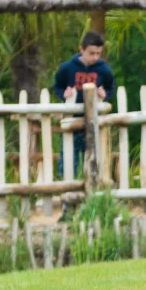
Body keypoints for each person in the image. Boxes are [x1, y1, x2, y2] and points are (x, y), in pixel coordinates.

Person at [53, 31, 115, 179]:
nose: (95, 57)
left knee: (94, 160)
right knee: (69, 159)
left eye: (98, 54)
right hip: (72, 121)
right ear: (81, 49)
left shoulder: (104, 70)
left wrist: (105, 95)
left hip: (94, 122)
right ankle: (68, 192)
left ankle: (93, 193)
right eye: (91, 53)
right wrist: (64, 94)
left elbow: (110, 88)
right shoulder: (67, 68)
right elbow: (57, 87)